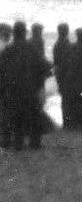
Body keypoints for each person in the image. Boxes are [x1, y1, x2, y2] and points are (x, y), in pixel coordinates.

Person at [0, 22, 52, 150]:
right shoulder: (32, 48)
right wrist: (40, 83)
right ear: (24, 32)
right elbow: (45, 67)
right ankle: (35, 144)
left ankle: (18, 144)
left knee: (16, 117)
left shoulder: (8, 50)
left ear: (14, 33)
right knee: (34, 116)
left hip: (13, 90)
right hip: (31, 89)